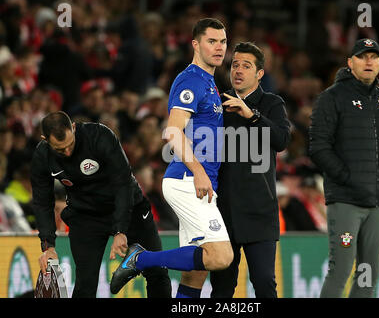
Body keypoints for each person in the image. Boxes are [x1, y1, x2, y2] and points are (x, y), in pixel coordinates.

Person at [110, 18, 233, 298]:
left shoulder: (210, 82)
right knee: (220, 256)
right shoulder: (190, 79)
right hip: (188, 180)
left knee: (196, 271)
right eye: (211, 41)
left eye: (223, 42)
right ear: (195, 44)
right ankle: (139, 260)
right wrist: (199, 172)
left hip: (199, 182)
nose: (219, 47)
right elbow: (173, 132)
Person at [31, 111, 171, 298]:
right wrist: (48, 246)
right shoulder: (42, 156)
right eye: (59, 149)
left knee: (157, 271)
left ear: (73, 127)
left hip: (129, 208)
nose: (67, 152)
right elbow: (42, 202)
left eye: (70, 145)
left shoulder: (100, 136)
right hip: (85, 216)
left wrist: (120, 230)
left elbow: (123, 184)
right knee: (84, 284)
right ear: (45, 139)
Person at [309, 38, 379, 298]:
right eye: (362, 56)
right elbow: (318, 147)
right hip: (347, 201)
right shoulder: (332, 97)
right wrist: (346, 178)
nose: (369, 62)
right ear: (350, 62)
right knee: (340, 271)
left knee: (368, 274)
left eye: (374, 57)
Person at [210, 42, 291, 298]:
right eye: (235, 65)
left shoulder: (271, 103)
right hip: (224, 213)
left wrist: (252, 115)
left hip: (260, 211)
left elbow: (281, 140)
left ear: (259, 74)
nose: (238, 70)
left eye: (246, 66)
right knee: (222, 289)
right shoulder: (217, 104)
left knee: (265, 283)